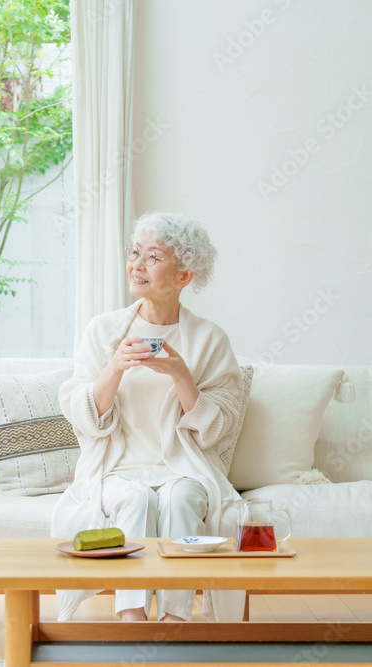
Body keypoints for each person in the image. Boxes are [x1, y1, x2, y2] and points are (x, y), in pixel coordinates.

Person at [52, 211, 245, 623]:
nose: (137, 265)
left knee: (177, 497)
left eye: (152, 257)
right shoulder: (104, 332)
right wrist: (115, 366)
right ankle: (133, 618)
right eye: (134, 253)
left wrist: (181, 375)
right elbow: (83, 418)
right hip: (117, 468)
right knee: (137, 499)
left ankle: (175, 621)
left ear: (183, 277)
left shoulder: (209, 339)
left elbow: (218, 429)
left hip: (184, 468)